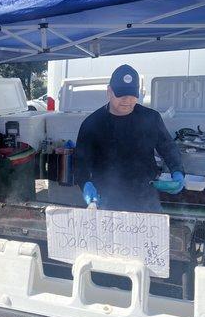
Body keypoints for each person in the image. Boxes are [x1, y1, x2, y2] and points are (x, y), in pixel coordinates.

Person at [74, 64, 184, 213]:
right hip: (107, 198)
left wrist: (177, 171)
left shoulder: (151, 118)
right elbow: (80, 163)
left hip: (145, 197)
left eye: (132, 95)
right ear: (109, 92)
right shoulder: (92, 123)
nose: (127, 100)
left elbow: (169, 148)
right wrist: (85, 183)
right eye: (121, 94)